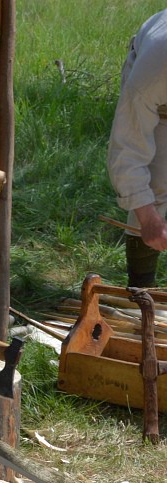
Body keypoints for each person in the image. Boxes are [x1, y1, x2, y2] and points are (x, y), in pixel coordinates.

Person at [108, 9, 167, 288]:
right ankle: (141, 291)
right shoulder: (155, 71)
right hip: (158, 91)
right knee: (157, 182)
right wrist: (148, 216)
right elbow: (128, 147)